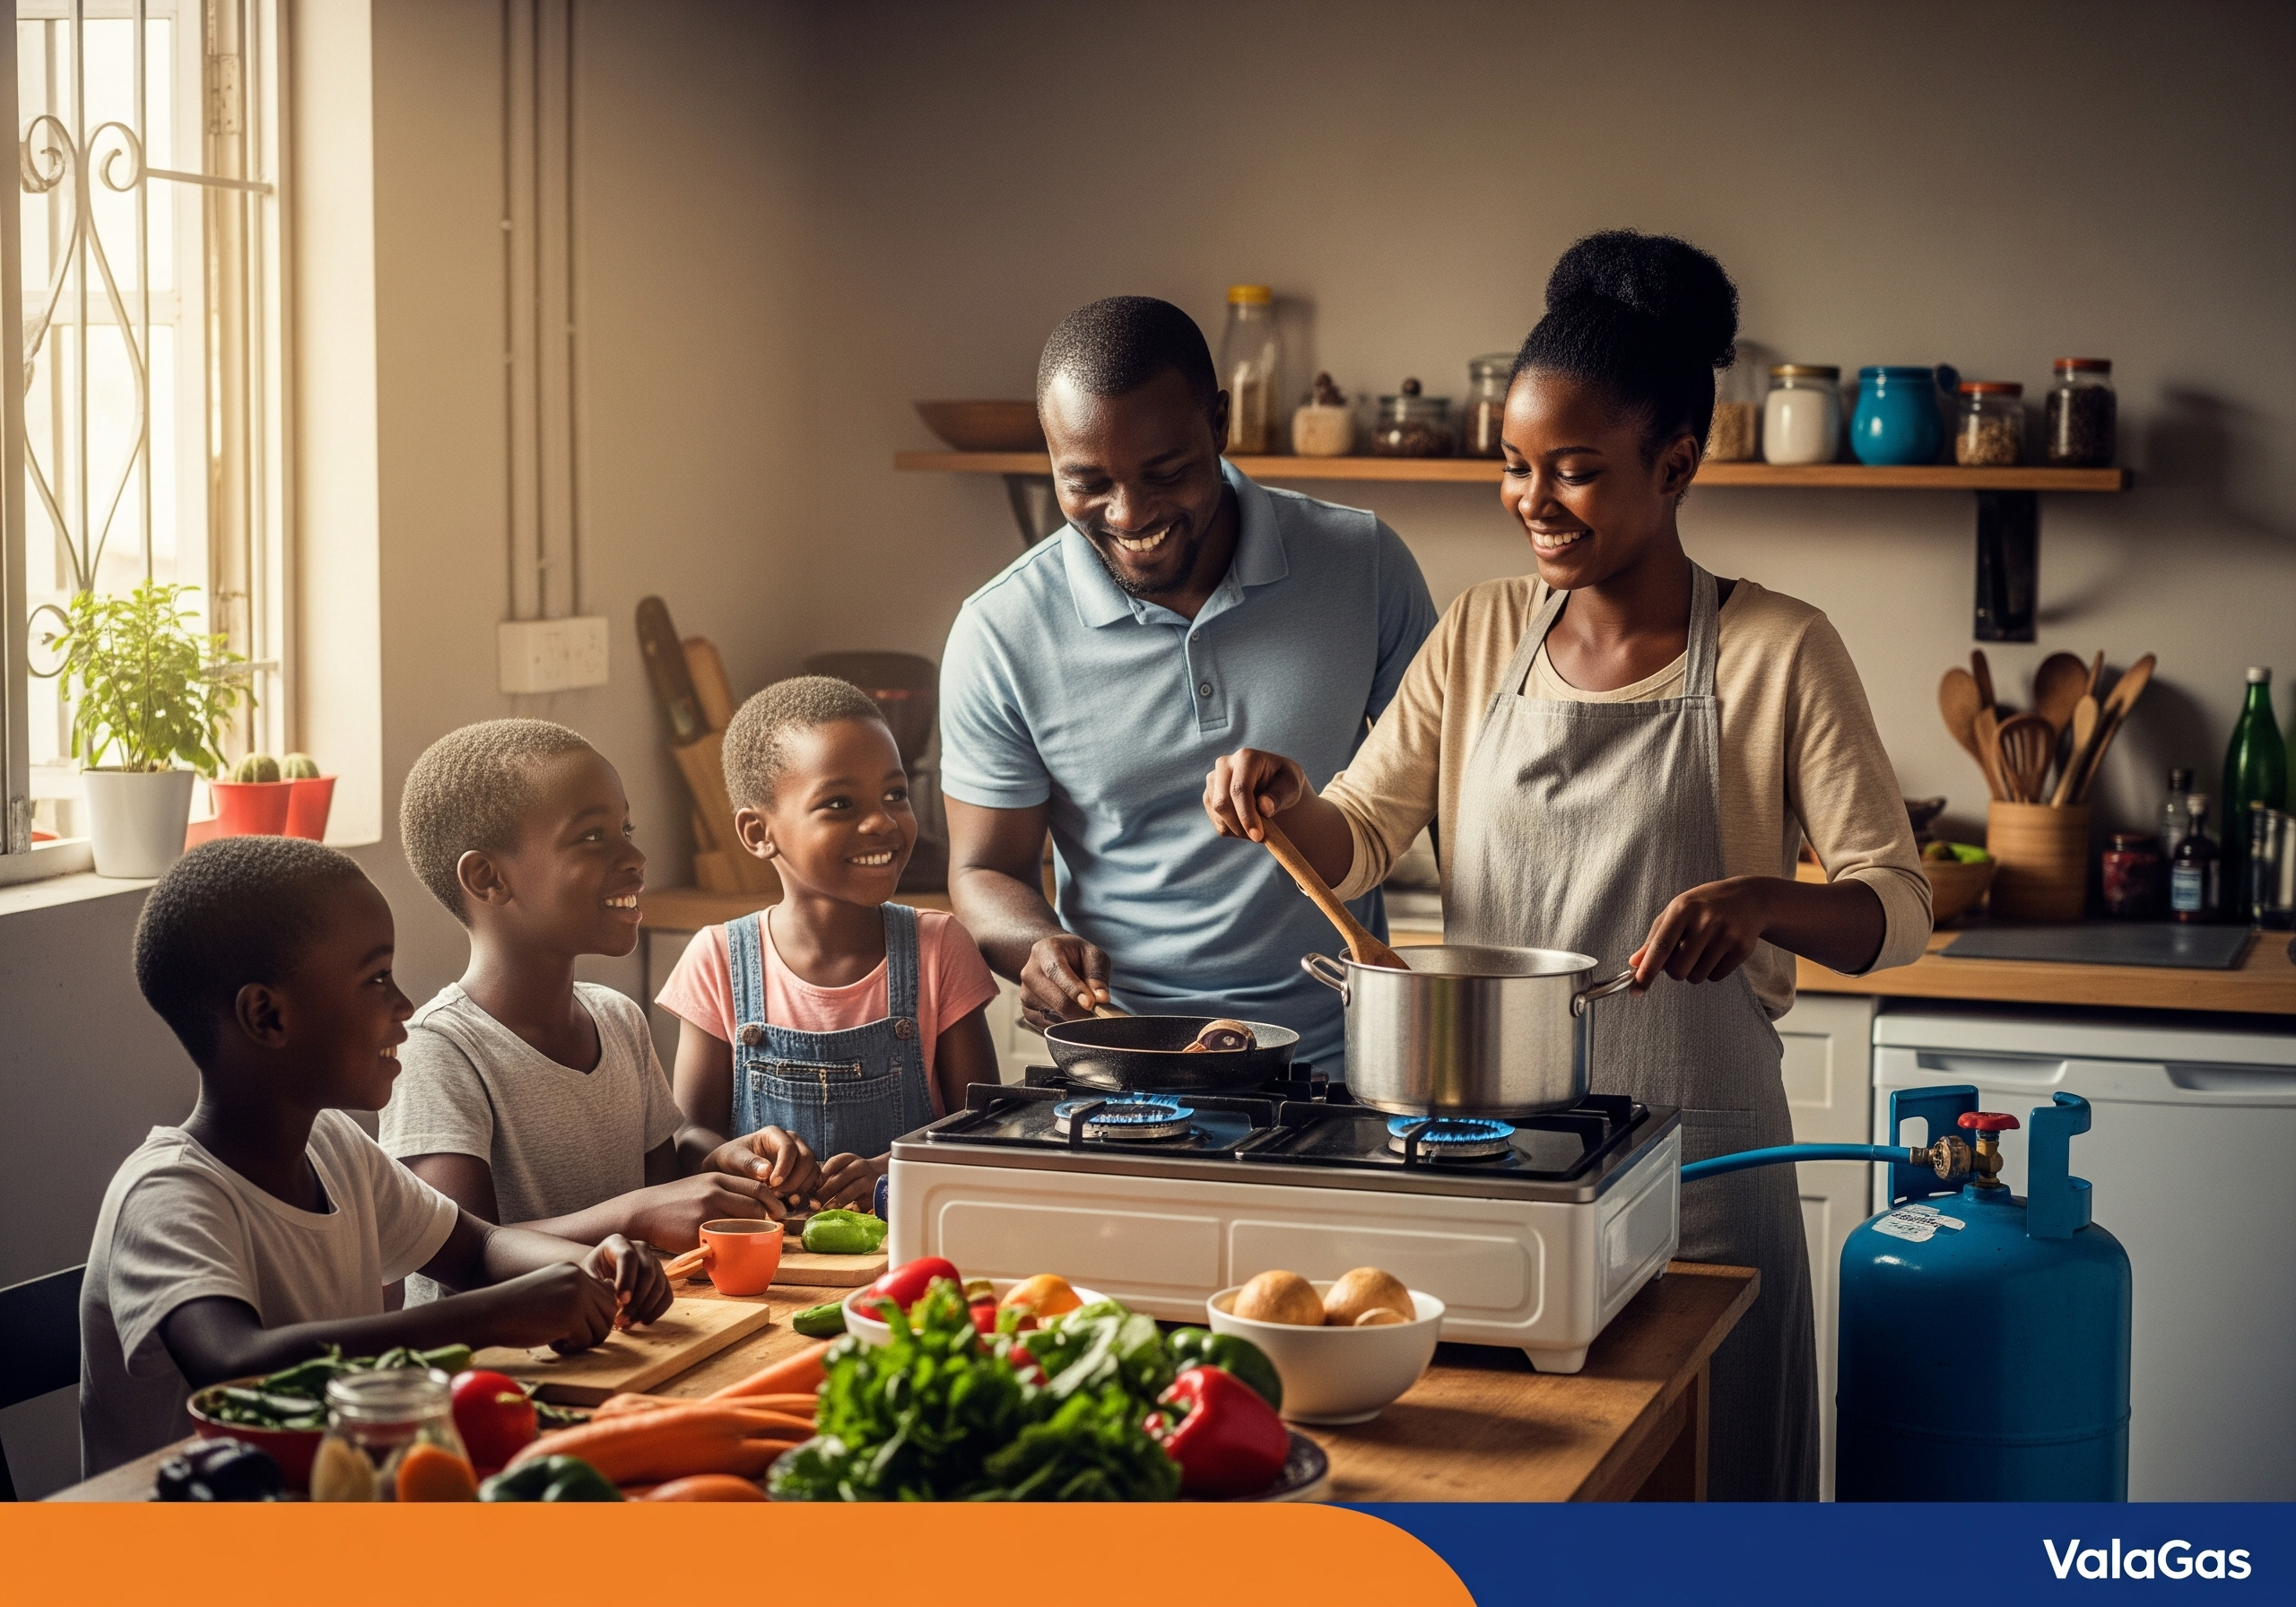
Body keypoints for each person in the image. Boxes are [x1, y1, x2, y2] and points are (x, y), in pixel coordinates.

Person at [1200, 232, 1931, 1500]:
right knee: (1520, 1495)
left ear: (1679, 463)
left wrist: (1764, 901)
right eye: (1514, 466)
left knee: (1717, 1515)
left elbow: (1901, 910)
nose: (1533, 500)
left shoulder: (1779, 651)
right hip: (1491, 1166)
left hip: (1708, 1167)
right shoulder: (1481, 631)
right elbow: (1362, 831)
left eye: (1578, 472)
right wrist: (1287, 798)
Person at [940, 295, 1438, 1064]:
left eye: (1165, 472)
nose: (1130, 513)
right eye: (1087, 483)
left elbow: (1451, 785)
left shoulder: (1363, 562)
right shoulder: (1000, 630)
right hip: (1122, 1061)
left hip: (1348, 1053)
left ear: (1219, 423)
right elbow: (983, 871)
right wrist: (1035, 946)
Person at [81, 837, 670, 1477]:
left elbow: (476, 1248)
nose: (405, 1007)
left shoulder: (333, 1147)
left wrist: (591, 1262)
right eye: (377, 978)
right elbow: (235, 1366)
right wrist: (495, 1316)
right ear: (267, 1015)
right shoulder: (168, 1193)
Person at [380, 720, 819, 1306]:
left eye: (626, 828)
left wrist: (724, 1162)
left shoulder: (616, 1018)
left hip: (618, 1341)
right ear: (487, 877)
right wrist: (635, 1216)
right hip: (494, 1370)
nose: (635, 857)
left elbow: (660, 1179)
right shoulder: (439, 1050)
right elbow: (460, 1254)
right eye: (592, 837)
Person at [658, 677, 1001, 1208]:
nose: (882, 821)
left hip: (907, 1251)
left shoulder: (939, 947)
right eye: (840, 803)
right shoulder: (718, 957)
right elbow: (690, 1137)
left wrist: (891, 1175)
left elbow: (981, 1129)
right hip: (766, 1259)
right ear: (757, 833)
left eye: (895, 794)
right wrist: (742, 1158)